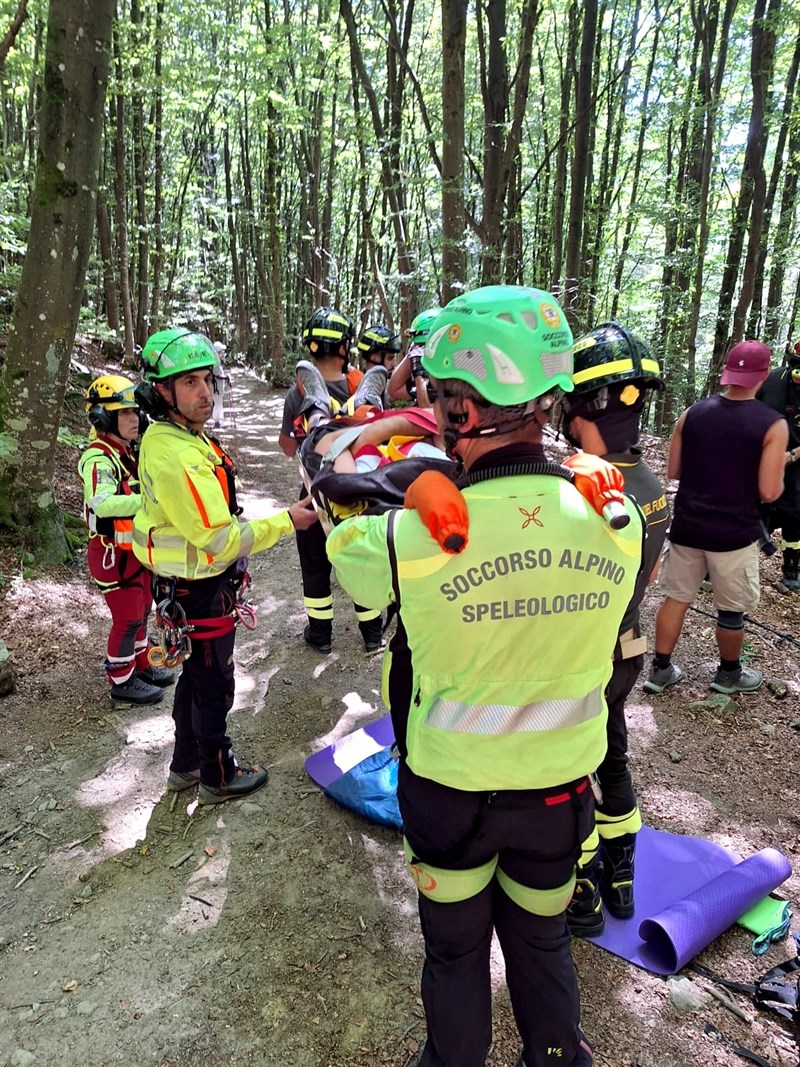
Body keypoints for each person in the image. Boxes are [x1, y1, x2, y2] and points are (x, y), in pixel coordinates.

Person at [326, 285, 645, 1067]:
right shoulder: (618, 517)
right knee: (542, 943)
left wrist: (398, 453)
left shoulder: (403, 537)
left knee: (456, 955)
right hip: (559, 794)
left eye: (440, 397)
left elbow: (330, 487)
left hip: (449, 796)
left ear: (462, 409)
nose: (434, 410)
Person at [132, 329, 318, 804]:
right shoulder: (177, 454)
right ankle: (217, 773)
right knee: (214, 684)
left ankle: (185, 764)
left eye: (207, 380)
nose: (204, 392)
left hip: (184, 585)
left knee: (195, 677)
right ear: (162, 392)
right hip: (199, 587)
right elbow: (218, 541)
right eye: (189, 382)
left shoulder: (175, 437)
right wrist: (288, 521)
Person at [559, 323, 669, 936]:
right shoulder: (650, 486)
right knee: (615, 754)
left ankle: (581, 892)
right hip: (627, 648)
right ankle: (622, 873)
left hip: (581, 656)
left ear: (581, 406)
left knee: (570, 766)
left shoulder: (580, 491)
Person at [644, 340, 787, 696]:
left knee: (677, 598)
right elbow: (769, 492)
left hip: (688, 527)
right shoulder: (773, 424)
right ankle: (728, 674)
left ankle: (660, 669)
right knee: (731, 608)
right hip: (734, 534)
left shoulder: (692, 413)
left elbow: (675, 470)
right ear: (765, 374)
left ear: (727, 371)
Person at [279, 306, 386, 654]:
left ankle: (320, 635)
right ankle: (372, 634)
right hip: (360, 491)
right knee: (362, 558)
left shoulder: (297, 391)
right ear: (345, 347)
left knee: (314, 565)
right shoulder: (360, 383)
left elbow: (285, 446)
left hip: (314, 493)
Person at [78, 375, 175, 706]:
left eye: (136, 412)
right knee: (128, 618)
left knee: (143, 607)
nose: (135, 419)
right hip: (111, 554)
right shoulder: (99, 458)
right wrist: (150, 502)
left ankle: (142, 663)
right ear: (104, 418)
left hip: (133, 549)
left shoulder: (124, 452)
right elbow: (102, 502)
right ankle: (121, 680)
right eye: (125, 414)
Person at [757, 341, 800, 592]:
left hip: (796, 464)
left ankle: (791, 567)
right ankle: (727, 560)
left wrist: (792, 456)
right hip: (761, 459)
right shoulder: (771, 381)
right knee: (751, 508)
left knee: (795, 514)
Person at [387, 306, 441, 407]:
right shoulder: (429, 376)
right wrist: (411, 355)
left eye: (422, 347)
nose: (419, 351)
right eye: (417, 347)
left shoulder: (452, 379)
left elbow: (426, 408)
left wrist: (419, 372)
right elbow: (394, 389)